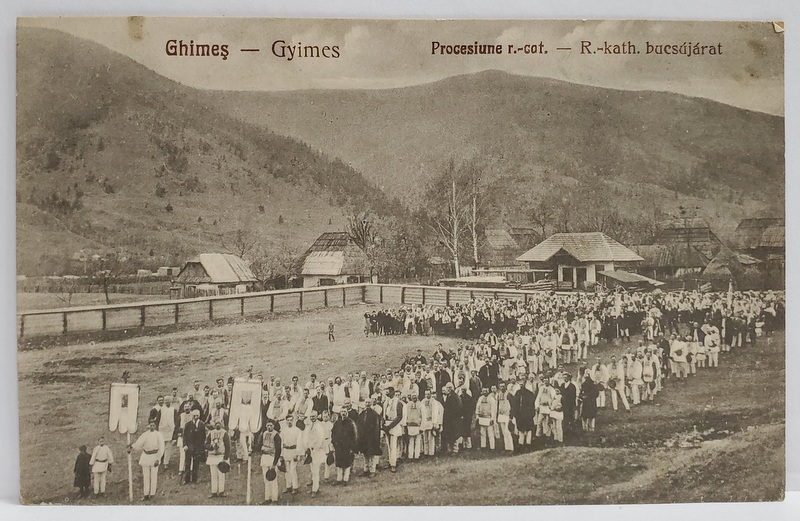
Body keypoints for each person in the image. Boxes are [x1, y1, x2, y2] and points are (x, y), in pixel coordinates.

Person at [130, 420, 166, 501]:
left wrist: (158, 458)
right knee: (146, 477)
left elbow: (162, 447)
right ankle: (146, 494)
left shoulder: (158, 434)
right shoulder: (145, 434)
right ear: (149, 425)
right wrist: (132, 446)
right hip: (146, 457)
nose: (152, 427)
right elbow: (138, 444)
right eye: (151, 425)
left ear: (155, 426)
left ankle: (152, 494)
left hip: (154, 456)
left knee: (153, 476)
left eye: (153, 425)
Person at [253, 420, 282, 505]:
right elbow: (258, 445)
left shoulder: (276, 435)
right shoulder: (264, 433)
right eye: (268, 425)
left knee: (273, 479)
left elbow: (278, 450)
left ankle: (274, 499)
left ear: (273, 426)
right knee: (266, 479)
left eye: (271, 425)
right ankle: (267, 498)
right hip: (265, 458)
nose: (269, 427)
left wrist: (274, 464)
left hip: (272, 458)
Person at [303, 410, 327, 497]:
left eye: (314, 416)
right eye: (311, 416)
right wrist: (307, 447)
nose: (312, 418)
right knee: (312, 470)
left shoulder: (319, 426)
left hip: (317, 451)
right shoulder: (309, 426)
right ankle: (315, 487)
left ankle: (315, 490)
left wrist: (315, 448)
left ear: (317, 416)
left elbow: (321, 439)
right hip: (310, 451)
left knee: (316, 470)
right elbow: (305, 437)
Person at [331, 410, 358, 485]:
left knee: (347, 463)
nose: (343, 413)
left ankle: (345, 479)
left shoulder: (351, 423)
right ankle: (339, 479)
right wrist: (334, 443)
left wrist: (352, 447)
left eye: (345, 412)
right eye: (342, 412)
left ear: (347, 413)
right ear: (340, 413)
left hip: (347, 446)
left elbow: (354, 436)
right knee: (339, 463)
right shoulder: (337, 423)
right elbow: (333, 433)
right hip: (339, 446)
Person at [357, 396, 383, 475]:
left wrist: (375, 438)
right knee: (365, 454)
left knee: (371, 455)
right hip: (364, 437)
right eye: (366, 402)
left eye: (369, 402)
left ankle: (372, 470)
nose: (367, 404)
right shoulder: (362, 413)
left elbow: (376, 427)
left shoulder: (374, 414)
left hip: (371, 438)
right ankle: (365, 469)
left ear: (371, 403)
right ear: (364, 404)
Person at [205, 420, 231, 498]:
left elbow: (227, 446)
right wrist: (211, 447)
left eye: (219, 423)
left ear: (222, 424)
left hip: (221, 456)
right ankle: (214, 492)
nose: (217, 425)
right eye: (216, 423)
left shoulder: (224, 433)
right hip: (212, 456)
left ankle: (221, 491)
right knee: (213, 474)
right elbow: (206, 444)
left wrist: (226, 457)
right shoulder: (211, 432)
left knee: (221, 474)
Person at [382, 387, 404, 472]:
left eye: (389, 392)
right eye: (387, 393)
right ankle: (390, 462)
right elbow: (383, 414)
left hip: (394, 424)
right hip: (387, 423)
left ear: (393, 392)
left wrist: (390, 426)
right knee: (388, 445)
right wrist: (384, 424)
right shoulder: (386, 402)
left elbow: (399, 416)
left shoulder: (398, 402)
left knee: (393, 445)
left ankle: (393, 464)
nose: (388, 394)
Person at [182, 410, 206, 485]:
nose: (195, 417)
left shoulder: (202, 424)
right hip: (189, 447)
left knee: (196, 464)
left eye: (197, 416)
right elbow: (184, 436)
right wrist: (185, 445)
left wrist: (202, 447)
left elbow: (203, 437)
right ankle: (186, 479)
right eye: (194, 416)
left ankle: (194, 479)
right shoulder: (187, 424)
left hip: (198, 447)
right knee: (187, 463)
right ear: (192, 416)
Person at [281, 413, 302, 495]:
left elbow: (299, 442)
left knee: (293, 470)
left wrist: (297, 453)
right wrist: (281, 455)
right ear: (286, 421)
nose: (289, 422)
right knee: (287, 470)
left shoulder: (297, 430)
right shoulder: (283, 430)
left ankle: (295, 487)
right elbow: (281, 442)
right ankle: (288, 486)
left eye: (291, 420)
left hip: (293, 451)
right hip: (286, 451)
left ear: (293, 421)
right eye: (288, 420)